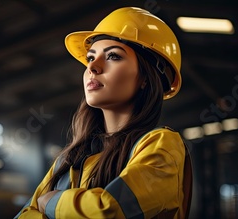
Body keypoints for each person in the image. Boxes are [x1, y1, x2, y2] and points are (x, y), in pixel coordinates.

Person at [14, 7, 192, 219]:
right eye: (90, 58)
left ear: (146, 78)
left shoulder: (161, 144)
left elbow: (109, 210)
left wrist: (49, 202)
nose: (93, 68)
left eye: (113, 56)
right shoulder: (68, 160)